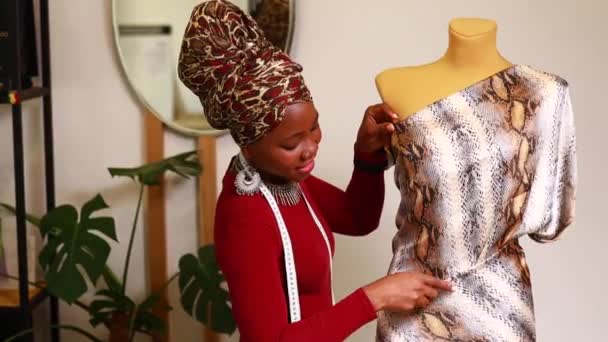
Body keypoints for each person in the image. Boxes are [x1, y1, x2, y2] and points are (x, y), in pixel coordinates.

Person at [177, 1, 452, 341]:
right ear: (248, 145)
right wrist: (375, 297)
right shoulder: (245, 216)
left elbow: (356, 218)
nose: (311, 146)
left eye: (314, 126)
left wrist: (365, 154)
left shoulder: (286, 181)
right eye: (292, 143)